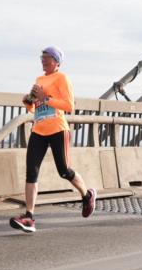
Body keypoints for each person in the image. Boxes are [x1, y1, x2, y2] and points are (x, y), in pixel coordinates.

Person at [9, 47, 96, 233]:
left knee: (64, 171)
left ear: (56, 61)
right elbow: (34, 108)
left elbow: (69, 106)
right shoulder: (39, 80)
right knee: (31, 172)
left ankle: (87, 195)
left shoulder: (62, 78)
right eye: (42, 57)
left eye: (47, 58)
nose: (43, 61)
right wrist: (29, 101)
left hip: (58, 129)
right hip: (38, 130)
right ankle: (29, 217)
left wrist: (45, 98)